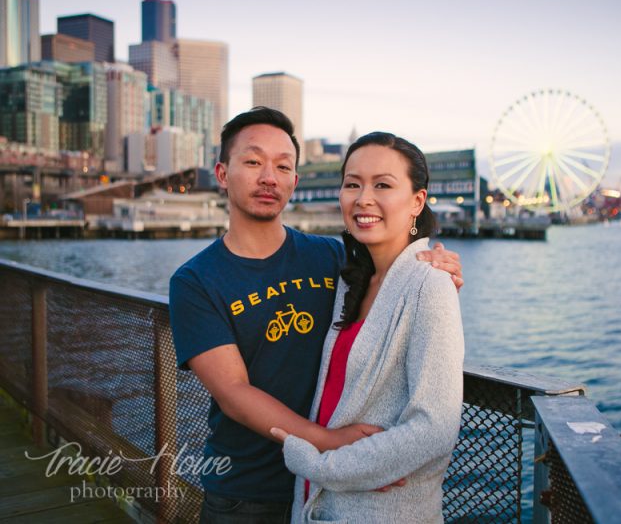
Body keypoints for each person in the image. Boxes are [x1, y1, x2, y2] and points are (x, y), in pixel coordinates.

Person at [168, 108, 462, 523]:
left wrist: (439, 262)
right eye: (253, 162)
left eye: (283, 166)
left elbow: (393, 265)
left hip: (329, 491)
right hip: (247, 488)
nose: (269, 176)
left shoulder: (332, 258)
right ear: (221, 173)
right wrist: (328, 443)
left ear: (294, 181)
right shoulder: (195, 281)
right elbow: (233, 392)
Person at [271, 132, 465, 523]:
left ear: (417, 202)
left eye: (383, 185)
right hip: (316, 506)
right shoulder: (351, 278)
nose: (363, 198)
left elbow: (435, 427)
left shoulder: (429, 282)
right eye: (352, 184)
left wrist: (320, 463)